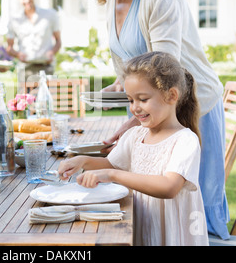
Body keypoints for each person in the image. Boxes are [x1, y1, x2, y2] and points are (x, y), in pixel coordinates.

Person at [72, 0, 229, 239]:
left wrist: (134, 122)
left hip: (190, 108)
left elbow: (165, 67)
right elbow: (130, 64)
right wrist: (120, 86)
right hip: (156, 111)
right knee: (156, 207)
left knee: (197, 207)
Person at [59, 52, 209, 246]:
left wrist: (112, 175)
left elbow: (169, 187)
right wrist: (82, 161)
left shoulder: (185, 140)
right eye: (130, 100)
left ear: (171, 95)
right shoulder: (135, 135)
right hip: (141, 223)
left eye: (143, 99)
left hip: (172, 235)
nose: (135, 108)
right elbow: (112, 164)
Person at [6, 0, 62, 85]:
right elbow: (9, 48)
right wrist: (18, 54)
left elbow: (58, 41)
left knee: (46, 99)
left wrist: (52, 52)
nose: (27, 0)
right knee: (25, 100)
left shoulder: (50, 15)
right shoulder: (14, 20)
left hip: (46, 68)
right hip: (25, 69)